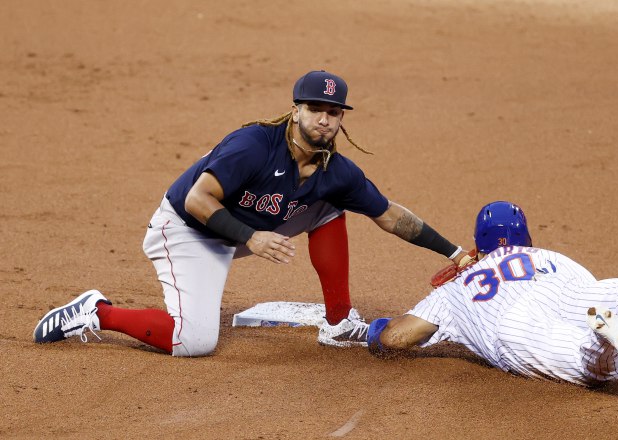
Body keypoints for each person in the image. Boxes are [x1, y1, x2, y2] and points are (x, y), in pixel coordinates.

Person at [33, 70, 468, 356]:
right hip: (189, 232)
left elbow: (390, 215)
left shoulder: (336, 169)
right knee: (193, 342)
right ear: (296, 109)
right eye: (316, 109)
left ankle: (338, 322)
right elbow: (198, 200)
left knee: (332, 203)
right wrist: (253, 238)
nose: (325, 120)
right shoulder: (253, 145)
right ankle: (97, 311)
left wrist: (454, 253)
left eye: (334, 113)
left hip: (249, 226)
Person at [365, 197, 618, 387]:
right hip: (572, 291)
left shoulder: (457, 288)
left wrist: (377, 332)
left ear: (479, 244)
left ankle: (601, 342)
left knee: (596, 365)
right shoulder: (548, 255)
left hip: (515, 323)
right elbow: (587, 288)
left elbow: (398, 338)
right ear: (525, 236)